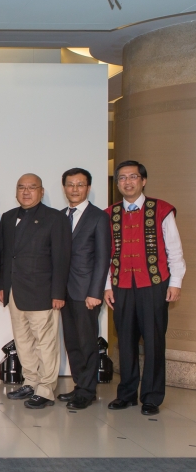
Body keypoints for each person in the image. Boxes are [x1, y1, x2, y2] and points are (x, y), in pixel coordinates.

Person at [104, 160, 186, 416]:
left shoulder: (161, 209)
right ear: (117, 184)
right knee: (125, 341)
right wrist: (107, 286)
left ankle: (151, 397)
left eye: (133, 177)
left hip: (154, 285)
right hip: (121, 286)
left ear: (143, 181)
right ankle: (126, 394)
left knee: (153, 341)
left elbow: (174, 250)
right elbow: (105, 255)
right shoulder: (109, 213)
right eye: (122, 178)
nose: (127, 182)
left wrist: (175, 283)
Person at [0, 173, 71, 409]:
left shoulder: (54, 218)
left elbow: (61, 258)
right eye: (21, 187)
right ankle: (30, 381)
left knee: (45, 343)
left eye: (32, 187)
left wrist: (58, 292)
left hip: (43, 291)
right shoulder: (7, 218)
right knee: (23, 341)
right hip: (14, 291)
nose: (26, 192)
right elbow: (5, 256)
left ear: (41, 192)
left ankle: (46, 389)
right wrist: (2, 286)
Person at [57, 168, 110, 410]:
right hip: (63, 292)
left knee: (87, 342)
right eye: (70, 184)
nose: (75, 189)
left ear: (88, 188)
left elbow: (102, 258)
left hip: (85, 292)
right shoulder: (59, 216)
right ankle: (80, 385)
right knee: (72, 341)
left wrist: (95, 292)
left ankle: (88, 390)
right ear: (64, 187)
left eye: (80, 184)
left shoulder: (98, 217)